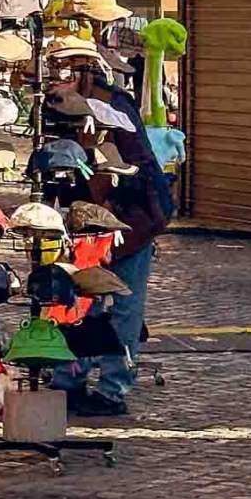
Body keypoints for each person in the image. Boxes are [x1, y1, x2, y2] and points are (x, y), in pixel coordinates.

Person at [68, 54, 171, 419]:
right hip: (108, 218)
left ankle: (112, 389)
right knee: (85, 301)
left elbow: (129, 184)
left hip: (133, 221)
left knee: (118, 305)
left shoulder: (112, 116)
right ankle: (75, 379)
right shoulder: (96, 109)